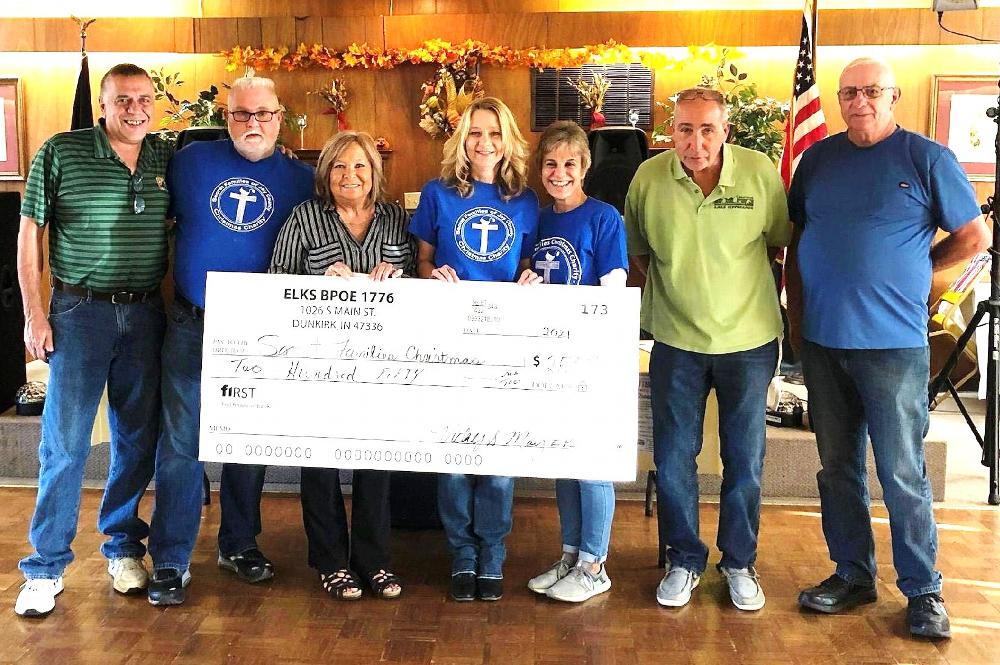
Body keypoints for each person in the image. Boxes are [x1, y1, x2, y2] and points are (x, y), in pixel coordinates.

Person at [786, 57, 989, 639]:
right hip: (823, 344)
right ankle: (852, 573)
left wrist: (918, 269)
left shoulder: (926, 158)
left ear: (892, 96)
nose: (859, 102)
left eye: (872, 91)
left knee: (902, 472)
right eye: (849, 92)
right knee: (838, 469)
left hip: (894, 347)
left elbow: (976, 236)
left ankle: (924, 592)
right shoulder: (818, 160)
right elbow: (800, 239)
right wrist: (797, 323)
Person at [145, 76, 314, 605]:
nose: (252, 124)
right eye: (241, 114)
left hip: (260, 330)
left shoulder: (301, 179)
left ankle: (239, 543)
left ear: (280, 117)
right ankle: (171, 558)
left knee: (246, 443)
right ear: (226, 117)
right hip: (192, 321)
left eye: (263, 114)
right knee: (180, 444)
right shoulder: (190, 162)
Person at [14, 64, 171, 617]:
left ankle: (124, 547)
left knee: (135, 440)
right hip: (79, 312)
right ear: (103, 104)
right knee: (66, 442)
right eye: (123, 100)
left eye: (144, 99)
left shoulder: (163, 158)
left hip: (146, 313)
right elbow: (30, 231)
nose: (135, 109)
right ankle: (45, 565)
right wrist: (36, 314)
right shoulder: (62, 150)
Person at [624, 87, 789, 612]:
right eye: (684, 129)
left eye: (707, 130)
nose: (695, 142)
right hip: (676, 342)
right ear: (669, 131)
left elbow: (777, 246)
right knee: (674, 459)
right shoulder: (649, 179)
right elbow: (640, 257)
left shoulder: (760, 173)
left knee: (745, 458)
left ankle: (739, 562)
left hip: (750, 342)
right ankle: (684, 559)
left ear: (726, 131)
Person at [268, 131, 411, 601]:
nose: (350, 175)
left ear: (375, 173)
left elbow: (418, 282)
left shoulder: (394, 219)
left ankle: (374, 560)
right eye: (339, 167)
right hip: (316, 362)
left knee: (376, 461)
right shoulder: (304, 218)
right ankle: (330, 561)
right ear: (325, 174)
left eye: (360, 167)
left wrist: (399, 276)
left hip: (382, 365)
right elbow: (275, 282)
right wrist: (317, 279)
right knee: (320, 462)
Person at [411, 97, 540, 602]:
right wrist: (433, 273)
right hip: (448, 343)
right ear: (461, 140)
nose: (484, 143)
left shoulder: (525, 200)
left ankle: (493, 554)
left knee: (497, 460)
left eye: (493, 133)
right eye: (474, 133)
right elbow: (421, 262)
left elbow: (527, 263)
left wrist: (528, 277)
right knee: (454, 459)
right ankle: (461, 555)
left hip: (503, 347)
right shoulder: (437, 195)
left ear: (508, 140)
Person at [524, 121, 627, 603]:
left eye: (569, 164)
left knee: (591, 462)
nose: (559, 173)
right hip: (549, 357)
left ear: (584, 166)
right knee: (563, 459)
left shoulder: (604, 218)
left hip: (590, 355)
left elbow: (614, 284)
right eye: (550, 164)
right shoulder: (538, 219)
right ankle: (569, 553)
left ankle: (594, 563)